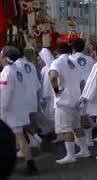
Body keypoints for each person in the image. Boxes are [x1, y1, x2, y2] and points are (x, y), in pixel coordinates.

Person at [49, 41, 90, 164]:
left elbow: (52, 76)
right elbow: (82, 81)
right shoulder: (74, 63)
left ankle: (70, 155)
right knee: (77, 126)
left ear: (57, 51)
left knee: (66, 128)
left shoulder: (57, 62)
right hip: (76, 99)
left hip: (64, 101)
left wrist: (56, 90)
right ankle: (84, 150)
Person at [0, 46, 38, 174]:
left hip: (10, 111)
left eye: (1, 55)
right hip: (19, 108)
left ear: (5, 57)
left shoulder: (7, 71)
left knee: (19, 138)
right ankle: (30, 163)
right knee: (19, 137)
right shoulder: (18, 70)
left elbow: (5, 94)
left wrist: (2, 111)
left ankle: (30, 164)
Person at [69, 38, 96, 147]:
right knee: (84, 114)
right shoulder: (90, 59)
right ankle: (88, 139)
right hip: (88, 89)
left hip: (76, 90)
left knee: (78, 117)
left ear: (73, 48)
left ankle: (83, 140)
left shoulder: (70, 59)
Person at [15, 46, 42, 148]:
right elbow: (37, 84)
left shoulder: (14, 66)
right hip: (32, 97)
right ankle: (34, 138)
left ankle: (29, 141)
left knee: (20, 123)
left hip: (21, 98)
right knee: (28, 120)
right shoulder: (31, 65)